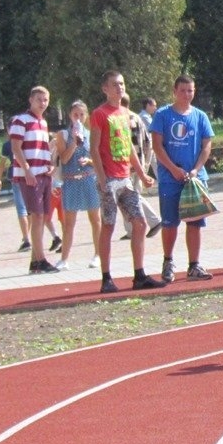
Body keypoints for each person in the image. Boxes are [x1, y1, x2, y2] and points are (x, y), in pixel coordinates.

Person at [89, 70, 167, 293]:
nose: (120, 88)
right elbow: (94, 148)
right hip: (109, 179)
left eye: (122, 84)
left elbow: (129, 146)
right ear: (105, 89)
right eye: (115, 84)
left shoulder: (125, 113)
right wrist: (102, 179)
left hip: (125, 178)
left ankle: (139, 274)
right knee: (109, 225)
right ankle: (106, 277)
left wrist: (142, 174)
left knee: (140, 223)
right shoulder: (99, 114)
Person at [150, 74, 216, 283]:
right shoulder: (162, 115)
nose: (187, 95)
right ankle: (168, 262)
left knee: (195, 222)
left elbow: (206, 146)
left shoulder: (200, 116)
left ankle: (194, 265)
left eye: (190, 91)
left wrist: (196, 169)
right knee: (170, 222)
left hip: (195, 180)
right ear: (174, 91)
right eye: (183, 90)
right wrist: (172, 168)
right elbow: (157, 146)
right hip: (170, 179)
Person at [9, 86, 60, 273]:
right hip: (29, 175)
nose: (43, 103)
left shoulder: (43, 123)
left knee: (43, 216)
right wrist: (27, 170)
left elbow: (43, 148)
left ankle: (35, 262)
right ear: (31, 99)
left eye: (46, 100)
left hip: (44, 173)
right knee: (37, 215)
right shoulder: (20, 120)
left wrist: (50, 165)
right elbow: (16, 147)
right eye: (39, 99)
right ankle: (41, 259)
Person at [54, 101, 102, 271]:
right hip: (71, 181)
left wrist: (89, 161)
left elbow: (99, 160)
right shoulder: (63, 135)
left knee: (95, 219)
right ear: (70, 116)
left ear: (87, 115)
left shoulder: (92, 134)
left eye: (82, 114)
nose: (79, 118)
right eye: (75, 115)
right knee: (69, 223)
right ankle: (64, 259)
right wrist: (74, 142)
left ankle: (98, 255)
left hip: (89, 179)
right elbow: (64, 159)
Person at [119, 94, 162, 240]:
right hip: (138, 163)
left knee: (129, 196)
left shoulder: (124, 119)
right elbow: (148, 143)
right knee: (127, 196)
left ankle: (153, 220)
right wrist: (145, 164)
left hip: (128, 165)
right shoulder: (137, 118)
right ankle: (131, 230)